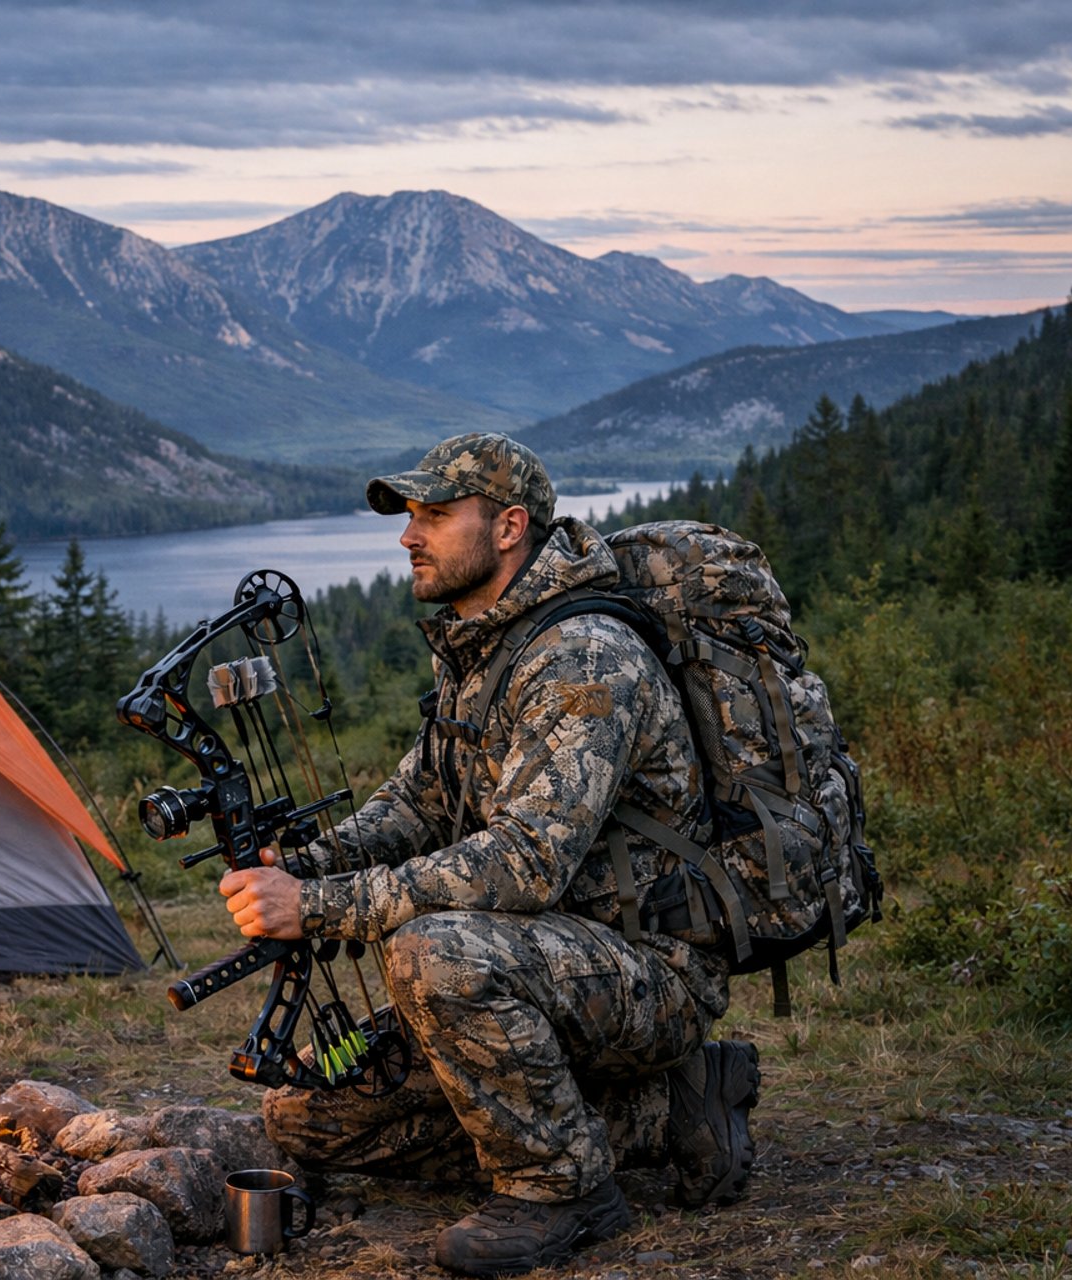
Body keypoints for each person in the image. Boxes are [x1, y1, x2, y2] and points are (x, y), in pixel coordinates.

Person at [218, 432, 760, 1277]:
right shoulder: (482, 653)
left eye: (435, 515)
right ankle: (666, 1111)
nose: (408, 535)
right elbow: (413, 804)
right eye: (409, 515)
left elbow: (525, 862)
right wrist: (300, 864)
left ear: (510, 527)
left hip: (648, 970)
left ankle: (563, 1187)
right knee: (309, 1118)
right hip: (540, 966)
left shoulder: (584, 657)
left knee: (431, 953)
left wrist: (319, 909)